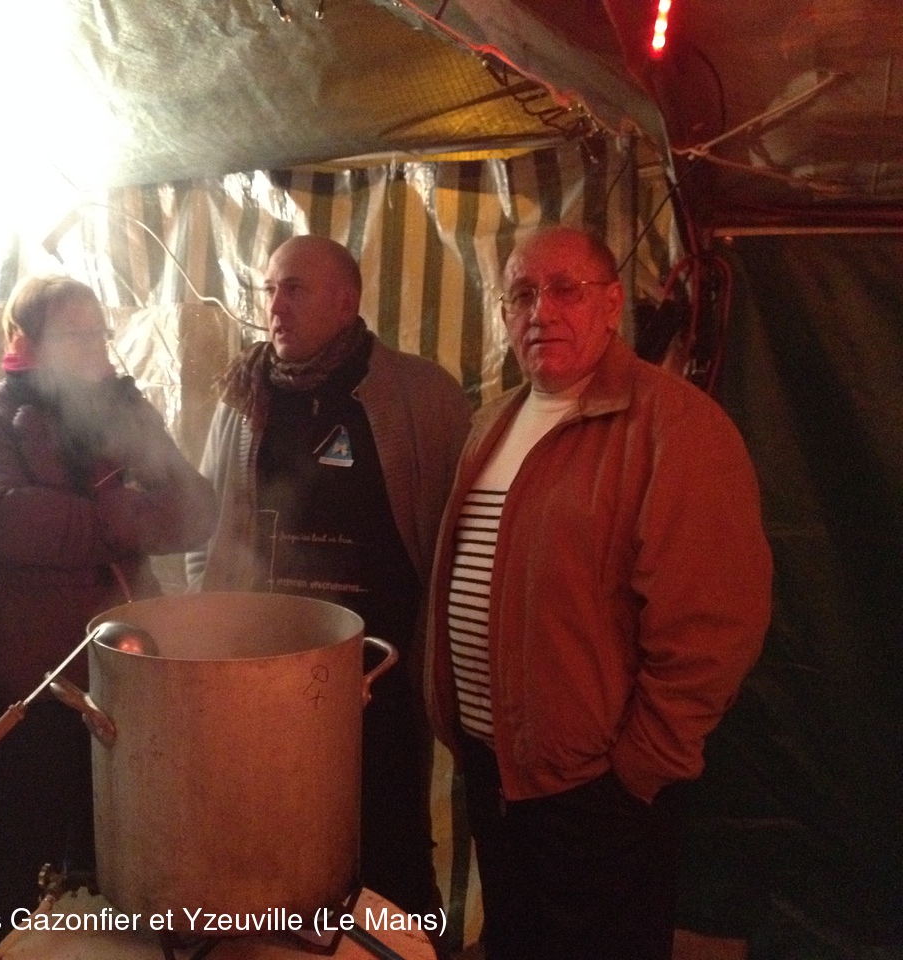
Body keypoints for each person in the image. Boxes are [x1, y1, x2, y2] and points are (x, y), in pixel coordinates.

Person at [425, 226, 773, 960]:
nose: (540, 312)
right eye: (522, 294)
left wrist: (636, 771)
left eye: (565, 290)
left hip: (597, 792)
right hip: (496, 771)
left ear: (612, 305)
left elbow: (713, 630)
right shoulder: (492, 422)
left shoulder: (675, 426)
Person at [188, 234, 472, 917]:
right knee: (278, 846)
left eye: (294, 289)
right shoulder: (243, 398)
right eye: (269, 289)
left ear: (347, 302)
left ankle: (410, 947)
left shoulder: (421, 395)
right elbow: (210, 530)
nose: (275, 306)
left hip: (381, 677)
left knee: (393, 851)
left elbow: (455, 536)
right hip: (267, 676)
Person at [0, 275, 217, 960]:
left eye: (99, 331)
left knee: (120, 858)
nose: (95, 345)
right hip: (35, 683)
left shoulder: (126, 415)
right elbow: (6, 519)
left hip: (128, 677)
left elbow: (197, 510)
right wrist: (127, 519)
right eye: (75, 334)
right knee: (27, 864)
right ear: (27, 340)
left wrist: (96, 522)